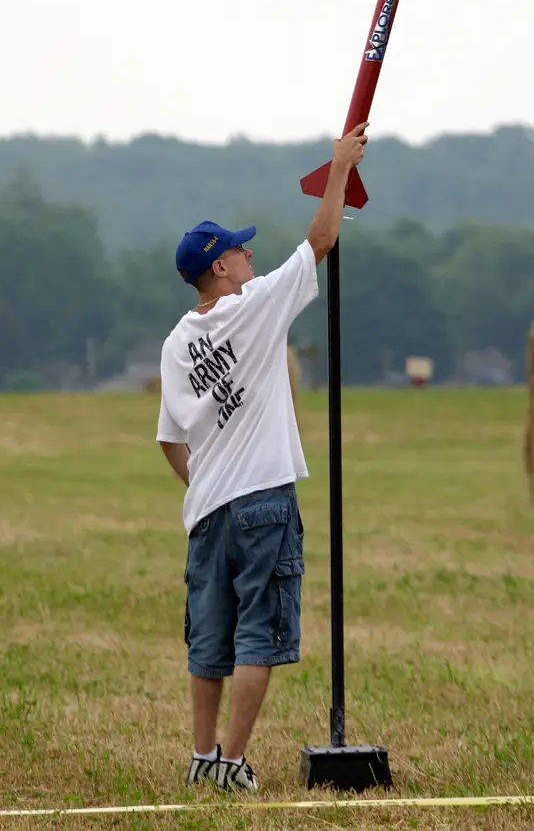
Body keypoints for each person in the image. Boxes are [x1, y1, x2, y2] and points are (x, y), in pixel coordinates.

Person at [156, 121, 369, 791]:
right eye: (240, 253)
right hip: (263, 500)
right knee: (259, 633)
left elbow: (169, 439)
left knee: (208, 639)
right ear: (220, 266)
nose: (251, 258)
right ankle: (231, 761)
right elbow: (322, 240)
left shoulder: (174, 342)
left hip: (206, 508)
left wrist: (204, 483)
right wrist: (338, 168)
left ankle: (200, 758)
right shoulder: (253, 306)